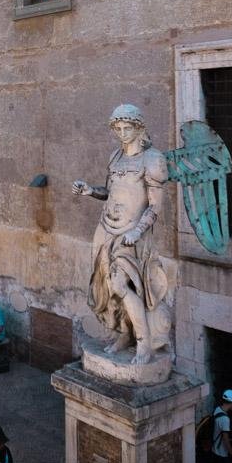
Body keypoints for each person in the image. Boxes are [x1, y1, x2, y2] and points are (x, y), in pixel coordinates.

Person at [72, 104, 170, 365]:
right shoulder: (115, 157)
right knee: (109, 288)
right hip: (106, 229)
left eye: (128, 128)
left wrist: (137, 231)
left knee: (119, 284)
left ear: (139, 128)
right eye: (118, 129)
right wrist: (90, 191)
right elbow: (109, 192)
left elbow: (155, 206)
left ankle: (144, 343)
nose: (123, 133)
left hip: (132, 233)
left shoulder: (153, 160)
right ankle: (126, 334)